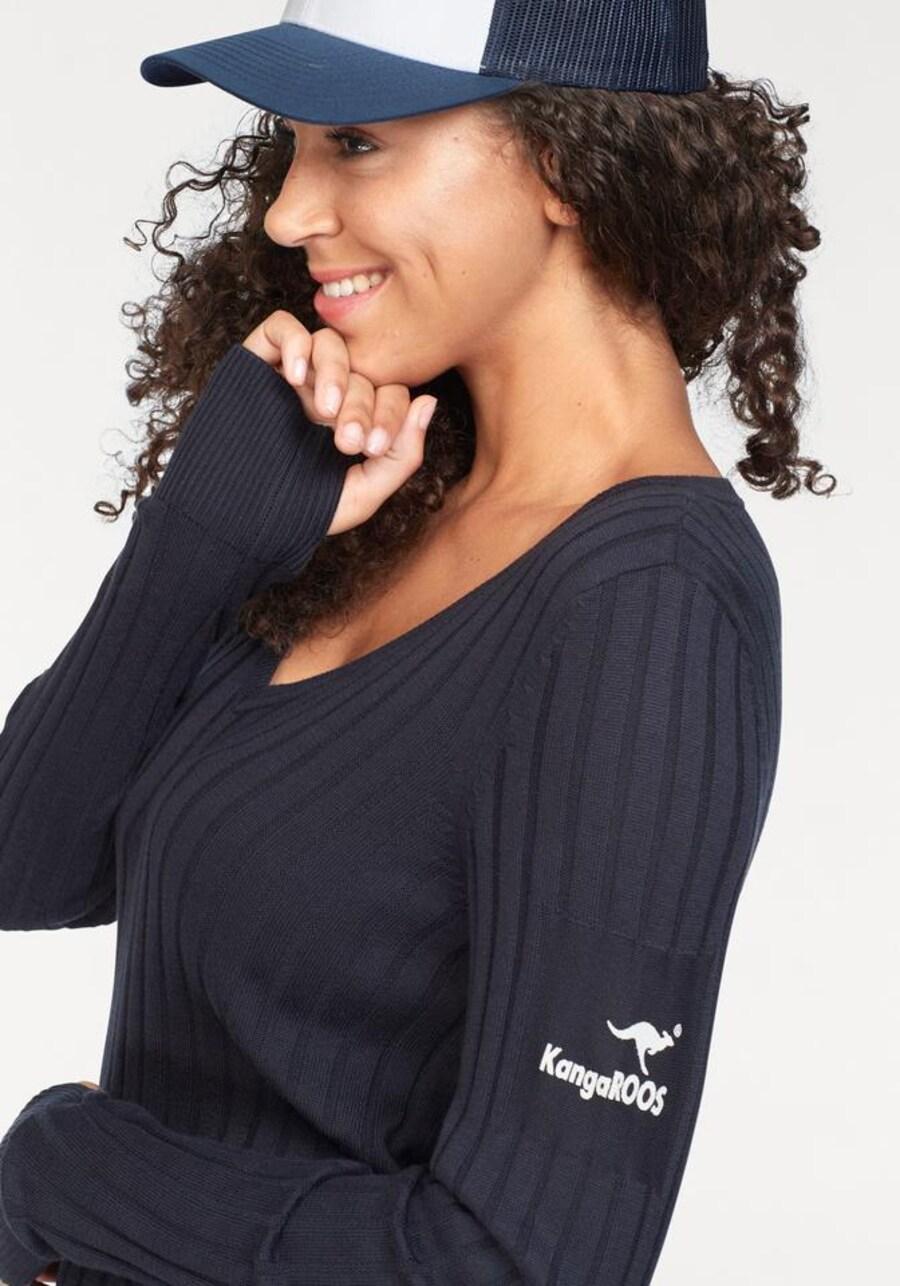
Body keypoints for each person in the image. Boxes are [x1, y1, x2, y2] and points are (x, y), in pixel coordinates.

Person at [0, 4, 831, 1285]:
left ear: (566, 161)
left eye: (355, 141)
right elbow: (27, 862)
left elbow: (515, 1262)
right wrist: (194, 541)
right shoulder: (383, 503)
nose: (288, 212)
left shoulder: (652, 606)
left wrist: (67, 1175)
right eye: (290, 146)